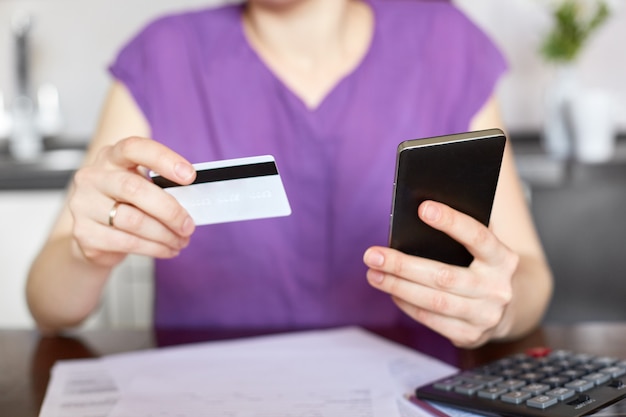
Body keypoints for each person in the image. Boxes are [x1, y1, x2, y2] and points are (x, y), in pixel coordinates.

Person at [26, 0, 553, 348]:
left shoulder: (446, 42)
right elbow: (49, 304)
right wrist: (85, 251)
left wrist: (496, 311)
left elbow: (529, 277)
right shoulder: (163, 55)